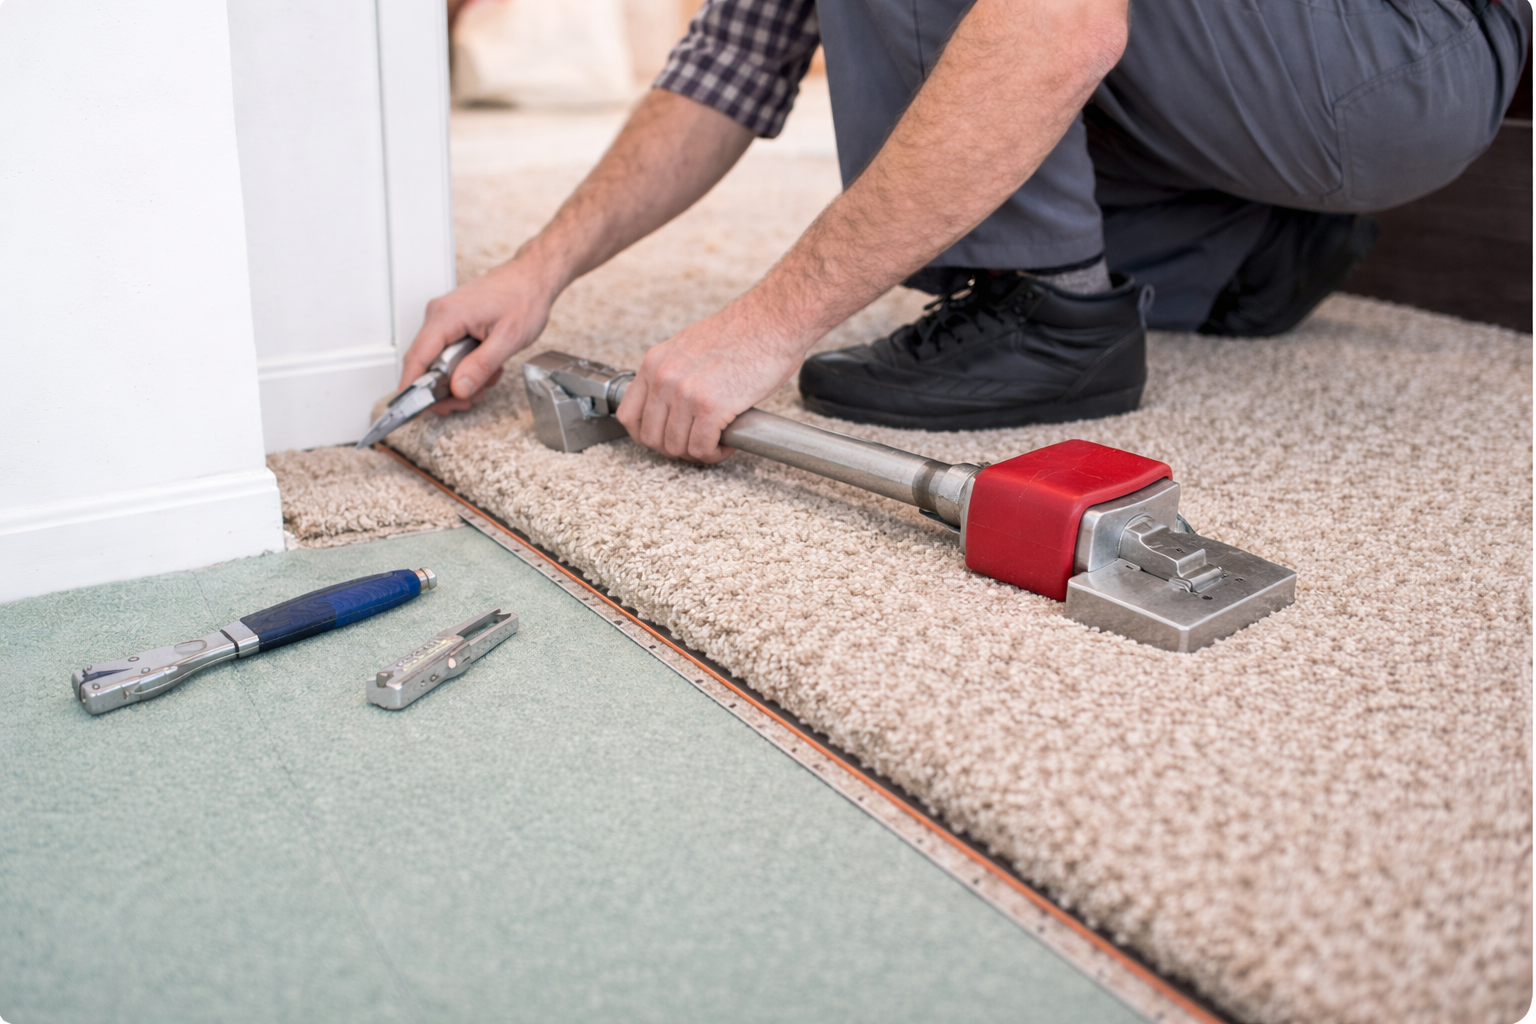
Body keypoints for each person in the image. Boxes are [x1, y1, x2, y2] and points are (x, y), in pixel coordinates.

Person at [402, 0, 1529, 462]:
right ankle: (1228, 251)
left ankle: (1052, 315)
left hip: (1401, 49)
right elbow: (739, 55)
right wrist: (535, 269)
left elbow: (1061, 23)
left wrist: (761, 331)